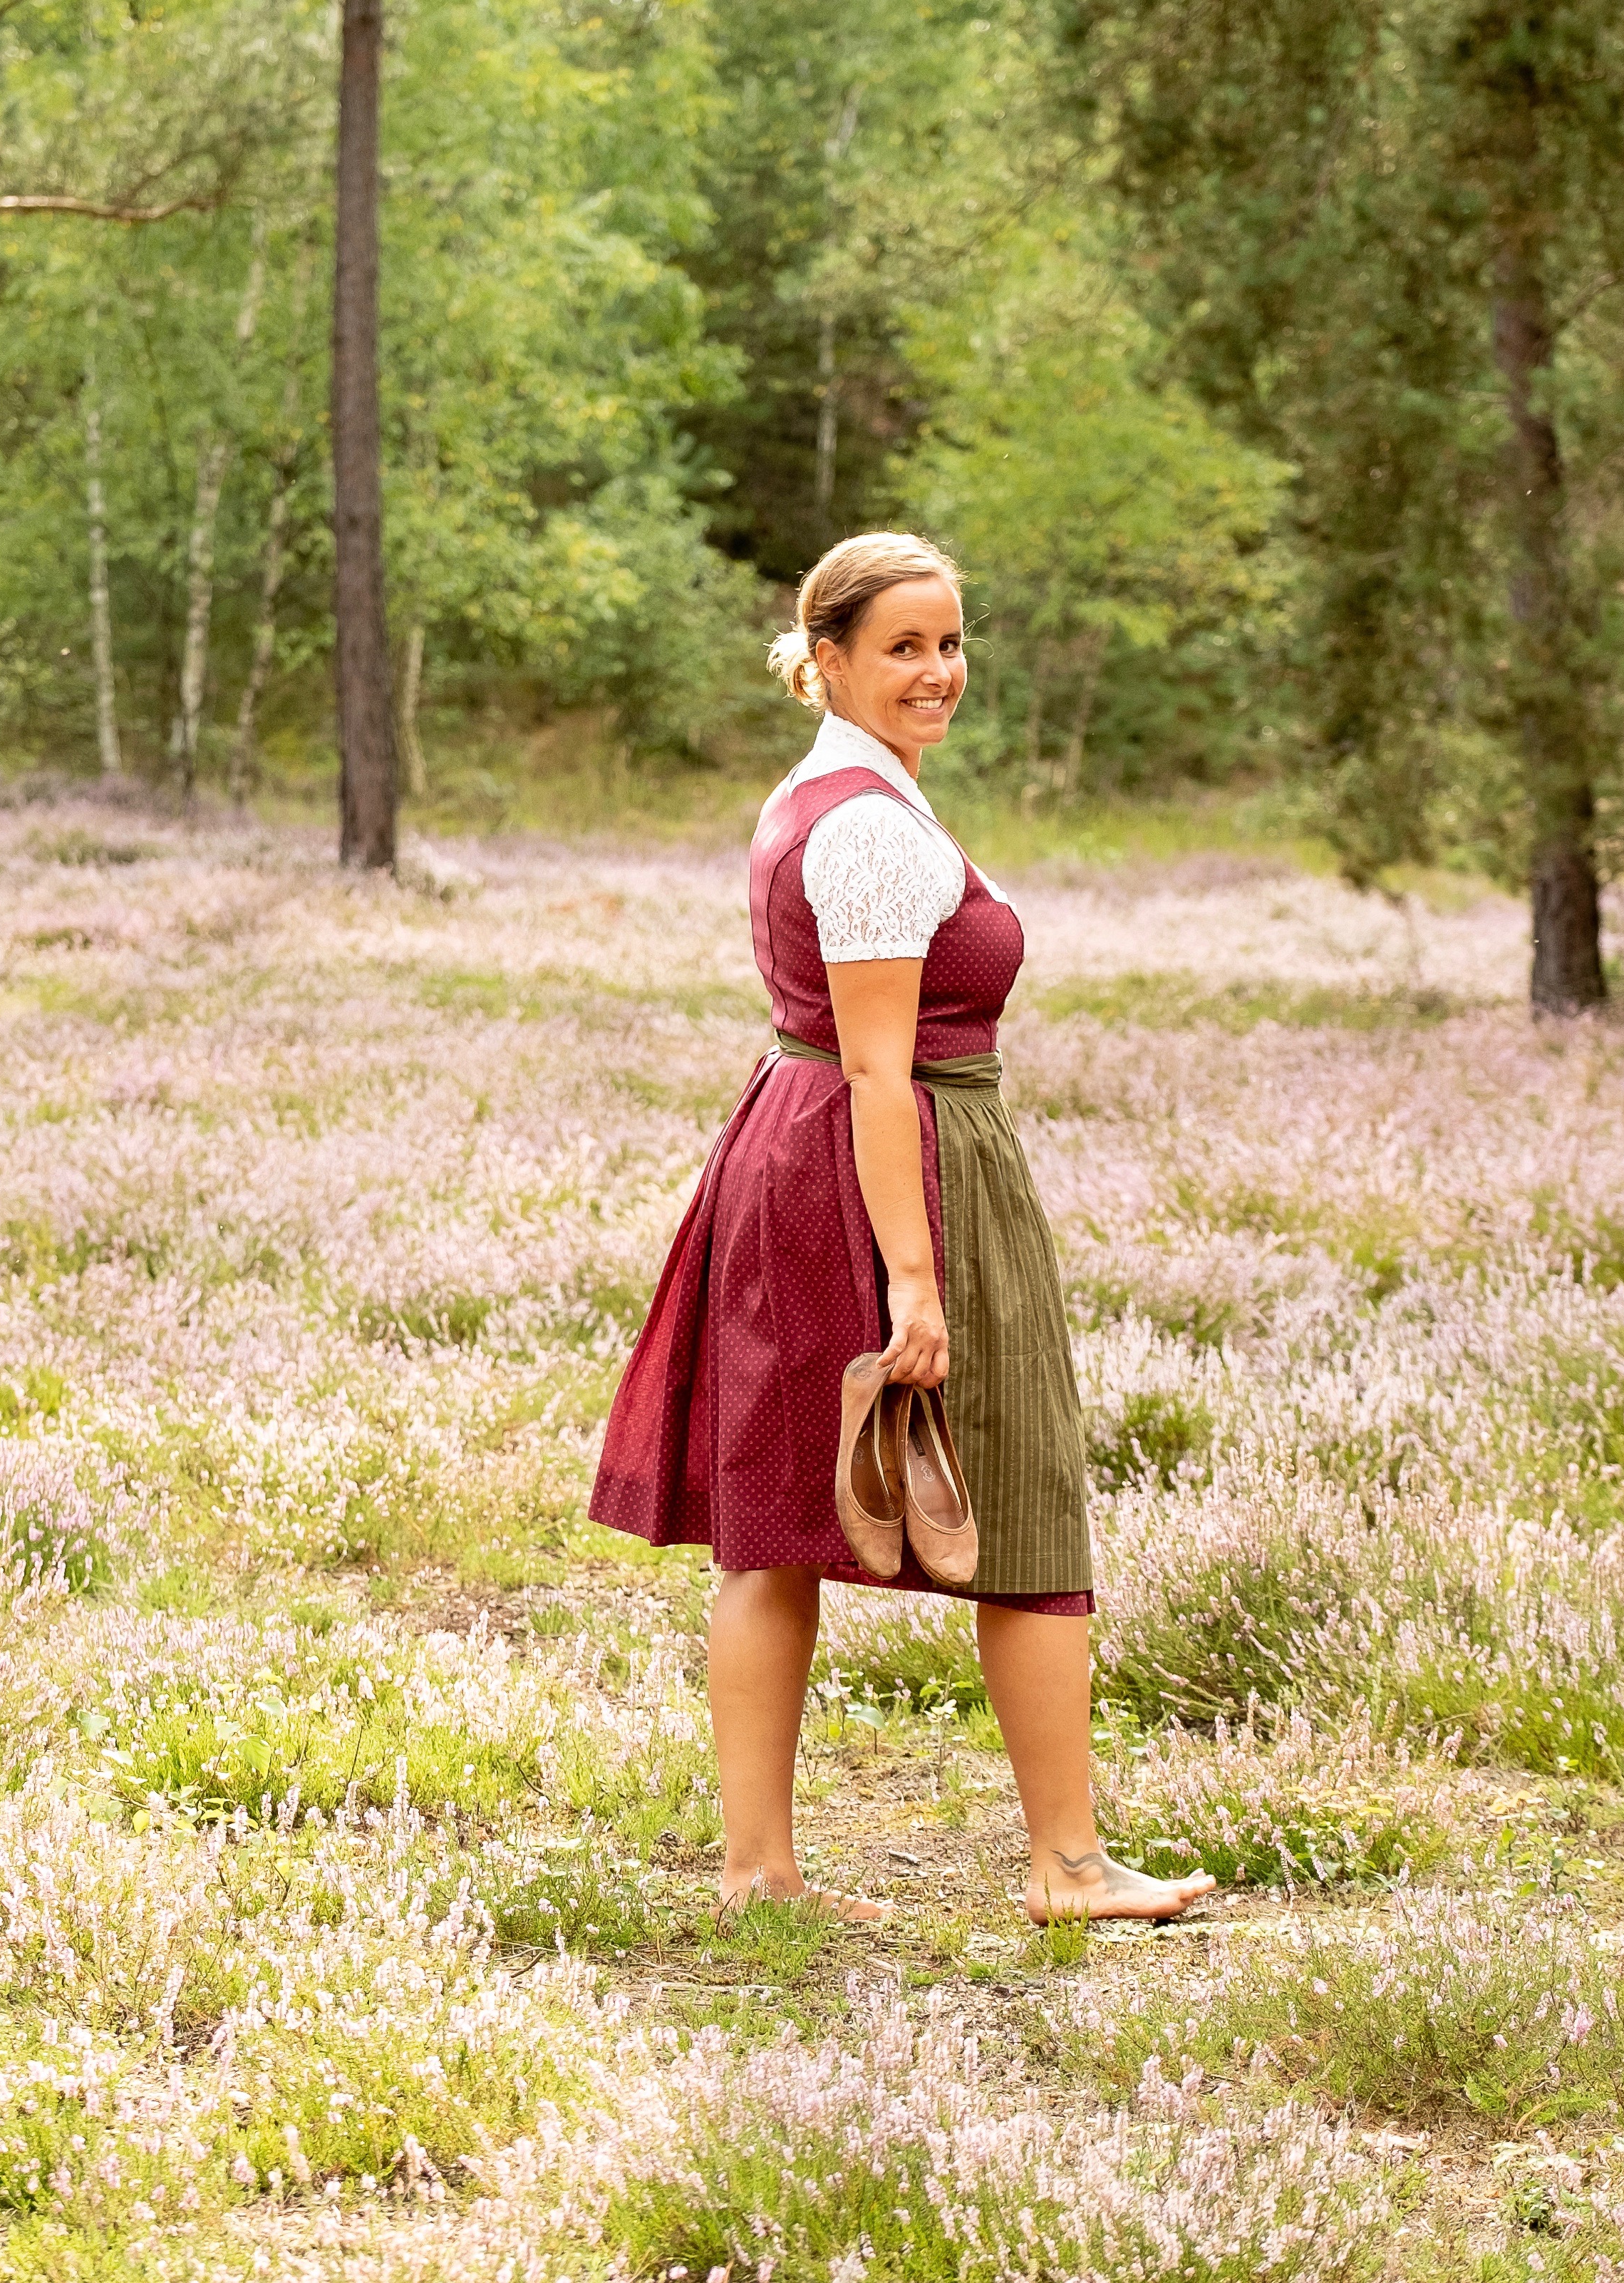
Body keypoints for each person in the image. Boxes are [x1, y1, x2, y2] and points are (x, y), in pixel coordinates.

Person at [589, 530, 1213, 1927]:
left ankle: (767, 1876)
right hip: (885, 1168)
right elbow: (880, 1067)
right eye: (902, 649)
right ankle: (1065, 1867)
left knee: (773, 1531)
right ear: (824, 663)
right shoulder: (865, 825)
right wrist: (916, 1282)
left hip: (802, 1151)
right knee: (1025, 1501)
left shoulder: (838, 791)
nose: (937, 672)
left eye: (949, 642)